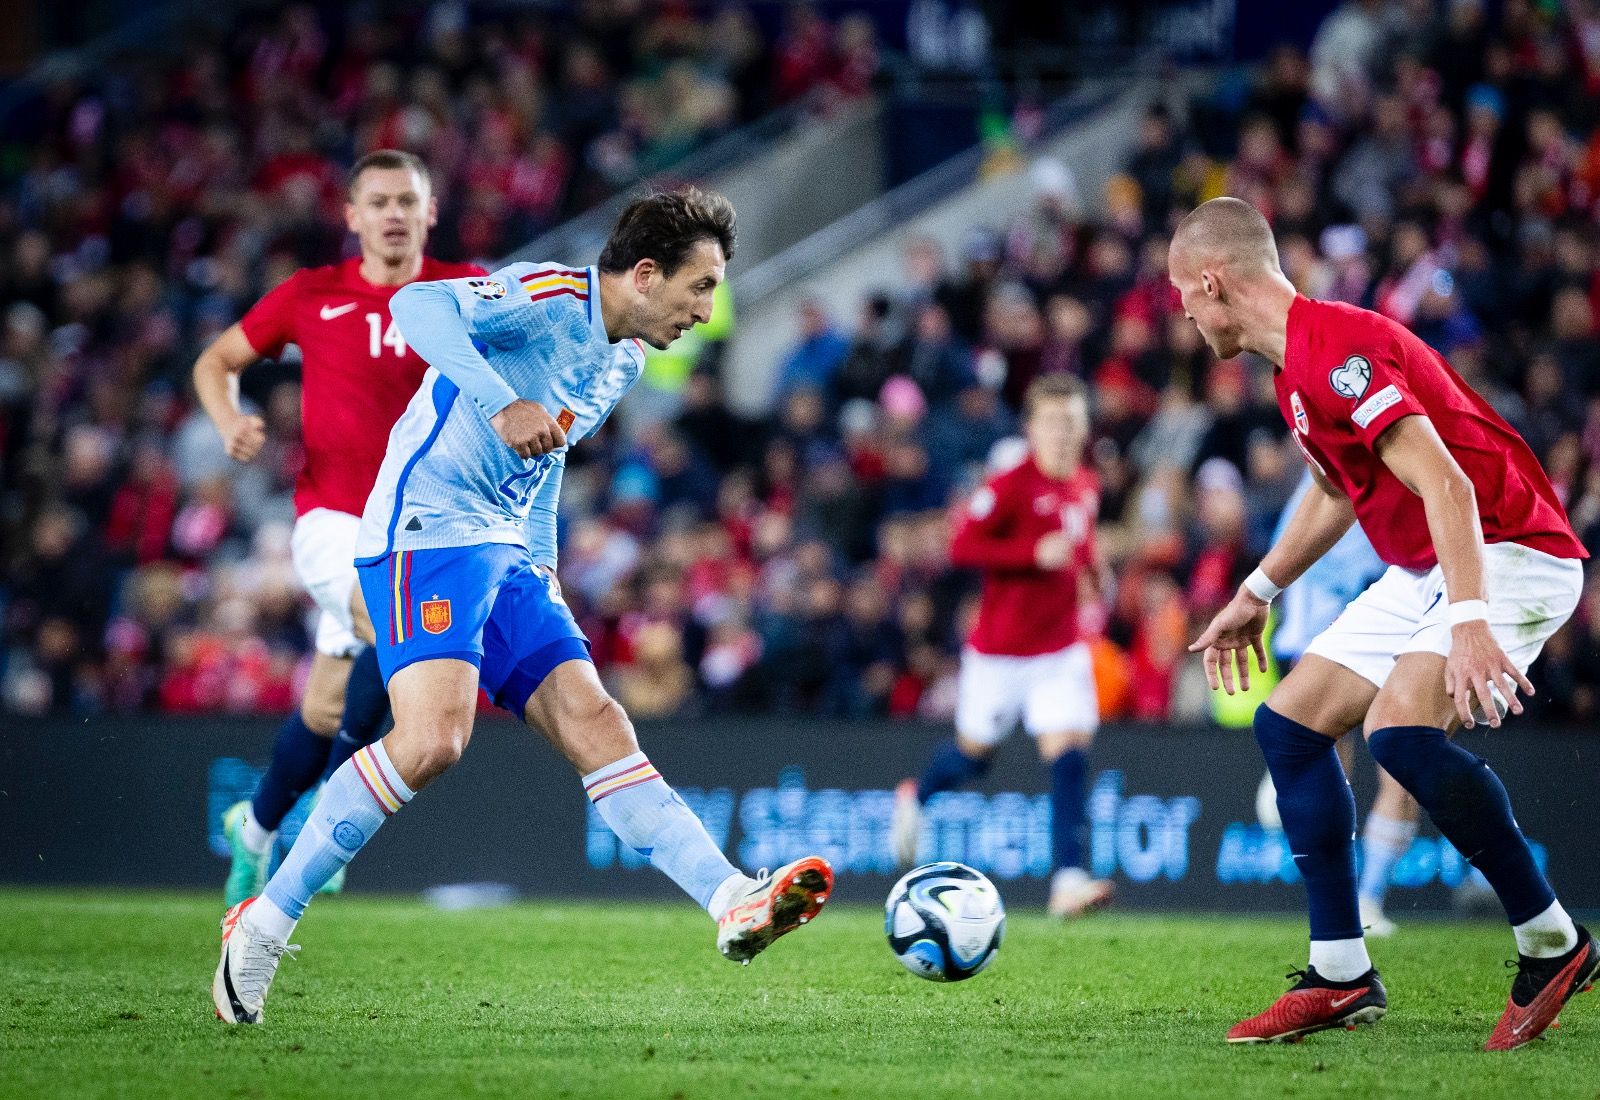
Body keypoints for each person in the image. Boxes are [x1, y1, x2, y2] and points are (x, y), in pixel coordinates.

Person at [211, 188, 833, 1025]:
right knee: (433, 740)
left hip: (503, 547)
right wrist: (499, 399)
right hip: (423, 530)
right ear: (645, 275)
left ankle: (730, 900)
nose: (706, 310)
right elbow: (419, 304)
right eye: (701, 286)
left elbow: (543, 466)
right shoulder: (547, 298)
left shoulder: (623, 362)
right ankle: (265, 919)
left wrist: (540, 570)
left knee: (599, 723)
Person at [1172, 197, 1592, 1050]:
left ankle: (1551, 942)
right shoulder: (1296, 370)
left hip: (1507, 547)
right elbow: (1336, 490)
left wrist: (1470, 619)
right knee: (1289, 727)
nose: (1182, 312)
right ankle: (1341, 972)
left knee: (1398, 732)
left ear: (1213, 281)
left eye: (1183, 292)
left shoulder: (1338, 353)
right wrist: (1259, 587)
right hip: (1428, 565)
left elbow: (1451, 488)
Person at [193, 150, 484, 907]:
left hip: (420, 525)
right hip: (332, 522)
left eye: (406, 201)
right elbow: (215, 361)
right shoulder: (309, 295)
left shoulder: (464, 290)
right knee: (391, 626)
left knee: (325, 710)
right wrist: (230, 418)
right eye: (377, 201)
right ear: (351, 217)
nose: (392, 214)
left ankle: (253, 830)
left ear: (430, 212)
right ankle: (332, 817)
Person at [890, 374, 1115, 919]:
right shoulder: (1012, 483)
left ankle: (1068, 880)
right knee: (975, 754)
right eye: (1053, 423)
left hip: (1059, 648)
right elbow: (964, 544)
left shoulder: (1086, 482)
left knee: (1068, 752)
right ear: (1032, 429)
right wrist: (1031, 552)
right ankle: (915, 794)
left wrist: (1093, 571)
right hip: (999, 651)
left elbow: (1079, 544)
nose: (1063, 434)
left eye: (1072, 422)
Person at [1266, 469, 1419, 939]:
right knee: (1330, 761)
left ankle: (1369, 898)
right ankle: (1342, 897)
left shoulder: (1414, 469)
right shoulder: (1324, 482)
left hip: (1404, 611)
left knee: (1405, 753)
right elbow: (1292, 564)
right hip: (1326, 622)